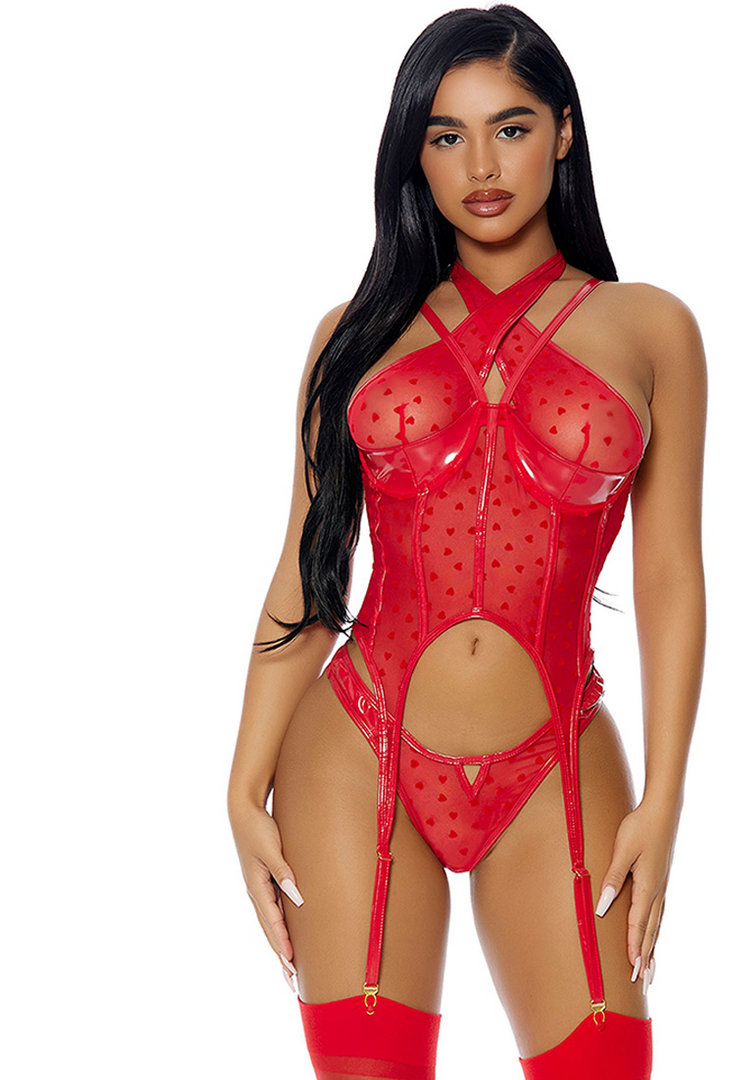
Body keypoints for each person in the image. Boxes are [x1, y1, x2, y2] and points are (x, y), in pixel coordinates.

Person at [227, 5, 706, 1077]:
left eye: (512, 127)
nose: (481, 166)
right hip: (358, 752)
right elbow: (306, 565)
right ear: (416, 153)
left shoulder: (651, 329)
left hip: (556, 764)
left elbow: (671, 574)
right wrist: (240, 785)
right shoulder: (353, 335)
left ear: (564, 131)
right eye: (446, 136)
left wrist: (666, 799)